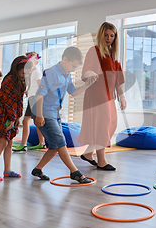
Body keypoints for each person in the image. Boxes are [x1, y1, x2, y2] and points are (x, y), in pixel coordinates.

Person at [30, 46, 95, 183]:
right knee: (61, 142)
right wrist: (40, 115)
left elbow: (73, 92)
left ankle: (38, 169)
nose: (74, 69)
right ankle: (74, 172)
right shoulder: (51, 72)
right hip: (43, 112)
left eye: (76, 67)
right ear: (64, 60)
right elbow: (40, 95)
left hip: (54, 112)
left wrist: (88, 85)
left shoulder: (67, 74)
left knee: (54, 146)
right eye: (73, 66)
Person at [78, 22, 126, 171]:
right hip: (97, 95)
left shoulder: (113, 56)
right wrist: (90, 73)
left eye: (112, 36)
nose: (109, 38)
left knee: (110, 124)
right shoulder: (95, 51)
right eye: (106, 35)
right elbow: (85, 72)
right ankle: (101, 161)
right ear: (101, 35)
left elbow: (118, 79)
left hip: (108, 97)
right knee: (102, 125)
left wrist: (122, 96)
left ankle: (87, 154)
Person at [0, 56, 27, 181]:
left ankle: (7, 170)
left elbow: (18, 101)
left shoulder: (20, 81)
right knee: (3, 142)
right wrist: (12, 118)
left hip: (11, 114)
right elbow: (9, 102)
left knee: (10, 142)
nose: (25, 75)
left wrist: (18, 116)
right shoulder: (9, 80)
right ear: (17, 69)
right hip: (3, 115)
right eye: (23, 72)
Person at [13, 52, 46, 151]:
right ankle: (41, 142)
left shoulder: (36, 72)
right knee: (31, 121)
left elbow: (41, 85)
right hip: (32, 97)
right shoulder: (32, 72)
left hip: (34, 98)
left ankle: (24, 144)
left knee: (26, 120)